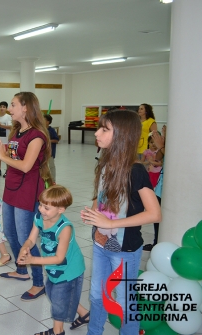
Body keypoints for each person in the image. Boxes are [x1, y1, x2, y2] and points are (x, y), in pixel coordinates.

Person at [80, 109, 161, 335]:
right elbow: (101, 195)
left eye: (104, 129)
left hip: (124, 249)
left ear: (123, 135)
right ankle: (94, 332)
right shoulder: (105, 163)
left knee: (125, 301)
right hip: (100, 243)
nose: (97, 133)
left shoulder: (135, 171)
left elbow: (155, 214)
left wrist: (112, 223)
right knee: (97, 294)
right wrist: (93, 212)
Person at [0, 92, 53, 300]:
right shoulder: (17, 132)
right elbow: (14, 157)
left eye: (13, 105)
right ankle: (21, 269)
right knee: (9, 232)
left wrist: (2, 157)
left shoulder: (37, 135)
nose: (10, 109)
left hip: (27, 190)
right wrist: (3, 154)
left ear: (25, 107)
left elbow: (27, 166)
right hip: (11, 187)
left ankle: (38, 282)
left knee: (26, 238)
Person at [18, 185, 85, 335]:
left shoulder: (65, 228)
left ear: (61, 210)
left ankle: (57, 331)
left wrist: (32, 259)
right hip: (53, 267)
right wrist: (25, 248)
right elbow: (31, 239)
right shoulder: (39, 218)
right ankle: (84, 313)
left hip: (69, 270)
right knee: (52, 292)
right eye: (41, 204)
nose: (41, 210)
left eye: (46, 208)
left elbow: (60, 258)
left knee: (58, 301)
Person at [143, 125, 166, 252]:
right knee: (157, 217)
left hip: (166, 186)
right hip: (160, 186)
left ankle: (158, 242)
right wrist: (161, 146)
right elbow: (158, 158)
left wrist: (162, 146)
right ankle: (156, 242)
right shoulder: (163, 146)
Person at [44, 114, 60, 183]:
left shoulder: (51, 130)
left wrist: (48, 141)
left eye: (43, 120)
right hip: (43, 152)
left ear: (48, 122)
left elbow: (56, 140)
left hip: (50, 152)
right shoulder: (41, 129)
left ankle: (53, 180)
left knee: (51, 166)